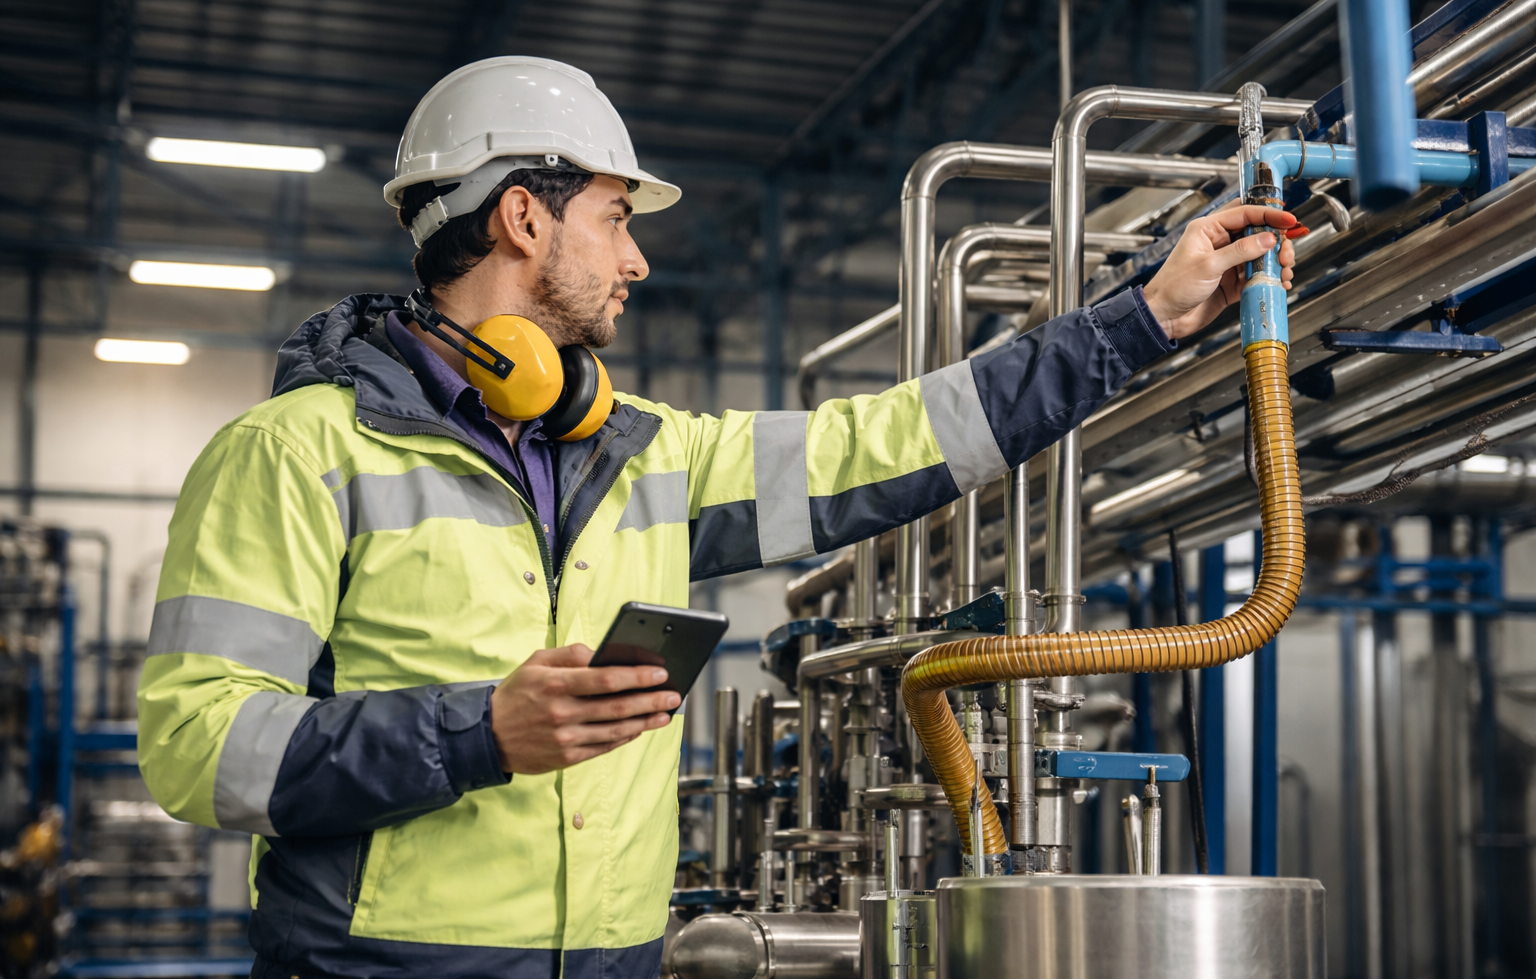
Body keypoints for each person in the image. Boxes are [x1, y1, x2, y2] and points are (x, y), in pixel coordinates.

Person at [137, 56, 1298, 979]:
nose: (636, 257)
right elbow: (200, 750)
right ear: (524, 222)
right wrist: (479, 731)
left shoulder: (645, 449)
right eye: (612, 215)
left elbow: (891, 443)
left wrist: (1138, 321)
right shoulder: (294, 453)